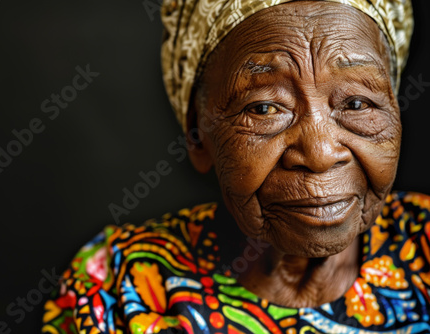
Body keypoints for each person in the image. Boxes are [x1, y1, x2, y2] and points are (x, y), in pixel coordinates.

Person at [42, 0, 430, 333]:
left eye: (357, 104)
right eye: (264, 108)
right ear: (198, 134)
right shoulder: (121, 288)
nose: (320, 152)